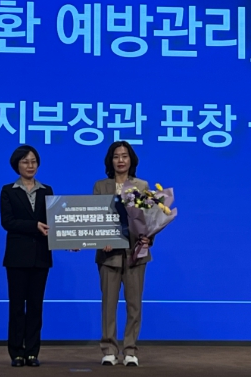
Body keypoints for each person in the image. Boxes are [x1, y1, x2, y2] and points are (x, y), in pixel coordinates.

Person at [93, 141, 151, 367]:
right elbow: (96, 218)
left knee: (134, 305)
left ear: (131, 159)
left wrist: (148, 238)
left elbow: (148, 220)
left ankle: (130, 350)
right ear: (110, 160)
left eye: (124, 156)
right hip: (109, 256)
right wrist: (102, 240)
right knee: (109, 304)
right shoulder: (101, 186)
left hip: (135, 254)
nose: (120, 160)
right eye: (116, 156)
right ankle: (109, 349)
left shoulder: (142, 185)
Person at [0, 145, 54, 368]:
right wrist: (34, 226)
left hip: (41, 256)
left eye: (33, 161)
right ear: (17, 165)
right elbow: (8, 222)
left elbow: (54, 221)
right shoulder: (8, 190)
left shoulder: (47, 190)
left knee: (35, 306)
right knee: (16, 307)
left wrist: (69, 239)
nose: (30, 165)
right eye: (25, 161)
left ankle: (32, 352)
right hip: (17, 257)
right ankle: (16, 353)